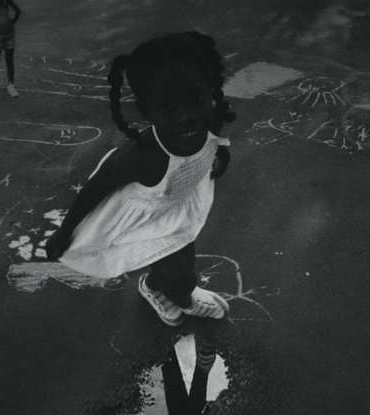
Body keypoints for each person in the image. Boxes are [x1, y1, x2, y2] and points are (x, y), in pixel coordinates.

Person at [46, 31, 235, 326]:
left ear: (209, 89)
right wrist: (63, 232)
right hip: (142, 221)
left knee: (186, 261)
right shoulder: (142, 157)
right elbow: (96, 187)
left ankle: (153, 287)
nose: (186, 116)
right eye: (168, 108)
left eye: (196, 98)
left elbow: (215, 140)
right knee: (183, 279)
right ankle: (185, 300)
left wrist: (221, 156)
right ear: (146, 111)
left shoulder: (213, 116)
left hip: (176, 204)